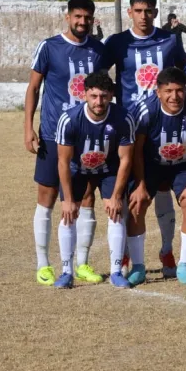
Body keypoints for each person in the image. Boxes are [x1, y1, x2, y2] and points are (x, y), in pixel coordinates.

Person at [104, 0, 186, 276]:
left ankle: (166, 251)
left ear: (156, 12)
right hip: (127, 128)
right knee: (131, 191)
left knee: (163, 187)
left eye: (148, 11)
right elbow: (98, 75)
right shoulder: (117, 42)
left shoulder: (169, 40)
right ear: (130, 12)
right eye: (138, 11)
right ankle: (128, 254)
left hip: (161, 126)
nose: (143, 16)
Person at [25, 0, 107, 287]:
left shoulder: (99, 50)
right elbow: (34, 88)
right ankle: (43, 264)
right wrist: (28, 127)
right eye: (77, 17)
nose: (82, 22)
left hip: (88, 137)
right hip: (52, 133)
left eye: (87, 17)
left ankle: (82, 263)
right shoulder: (49, 47)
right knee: (47, 196)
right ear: (67, 17)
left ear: (93, 19)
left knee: (86, 197)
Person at [127, 67, 186, 285]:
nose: (174, 96)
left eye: (179, 90)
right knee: (137, 203)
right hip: (151, 163)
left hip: (183, 165)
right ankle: (138, 266)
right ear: (158, 92)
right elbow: (136, 150)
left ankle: (184, 265)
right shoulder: (145, 110)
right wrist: (140, 184)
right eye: (168, 91)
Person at [53, 73, 135, 289]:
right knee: (68, 214)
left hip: (108, 169)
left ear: (111, 96)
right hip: (77, 170)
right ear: (84, 95)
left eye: (104, 96)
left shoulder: (123, 118)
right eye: (94, 96)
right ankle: (66, 272)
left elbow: (126, 159)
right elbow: (63, 161)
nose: (99, 102)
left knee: (116, 212)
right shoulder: (69, 119)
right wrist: (67, 200)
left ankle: (116, 272)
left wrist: (116, 196)